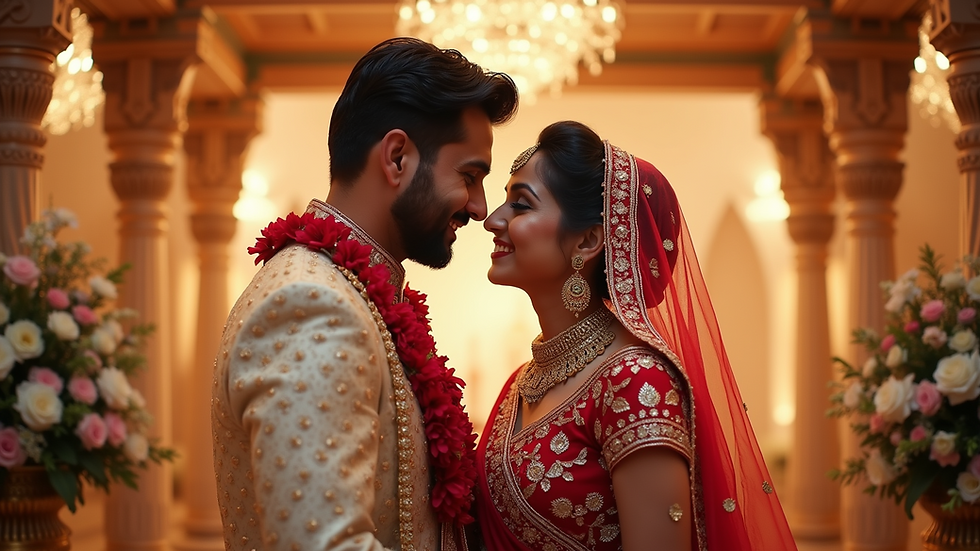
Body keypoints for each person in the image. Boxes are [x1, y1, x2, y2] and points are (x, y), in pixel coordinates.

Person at [211, 37, 518, 551]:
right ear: (397, 157)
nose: (479, 207)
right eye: (468, 176)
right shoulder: (312, 305)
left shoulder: (352, 292)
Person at [476, 121, 797, 550]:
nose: (492, 219)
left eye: (520, 205)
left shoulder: (635, 380)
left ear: (588, 240)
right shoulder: (520, 384)